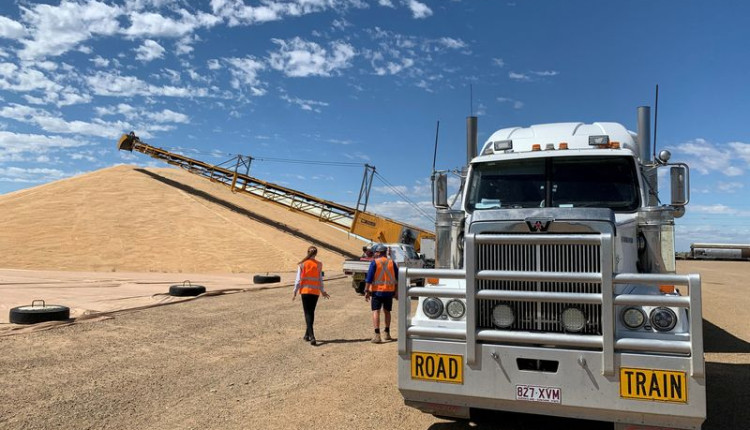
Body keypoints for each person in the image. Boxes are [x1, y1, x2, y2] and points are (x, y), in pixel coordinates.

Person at [292, 246, 329, 346]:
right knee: (311, 312)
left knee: (307, 313)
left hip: (305, 291)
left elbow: (298, 280)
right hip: (315, 292)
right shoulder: (319, 264)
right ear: (316, 254)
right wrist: (322, 291)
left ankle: (312, 336)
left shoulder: (302, 264)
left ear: (307, 252)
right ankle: (306, 335)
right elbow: (320, 279)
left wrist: (295, 291)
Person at [364, 243, 398, 343]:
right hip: (389, 292)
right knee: (387, 311)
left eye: (376, 252)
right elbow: (398, 278)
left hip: (377, 292)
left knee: (376, 311)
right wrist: (396, 291)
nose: (375, 254)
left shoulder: (375, 262)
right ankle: (387, 333)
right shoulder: (392, 262)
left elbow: (369, 279)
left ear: (379, 252)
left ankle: (377, 335)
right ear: (385, 252)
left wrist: (366, 291)